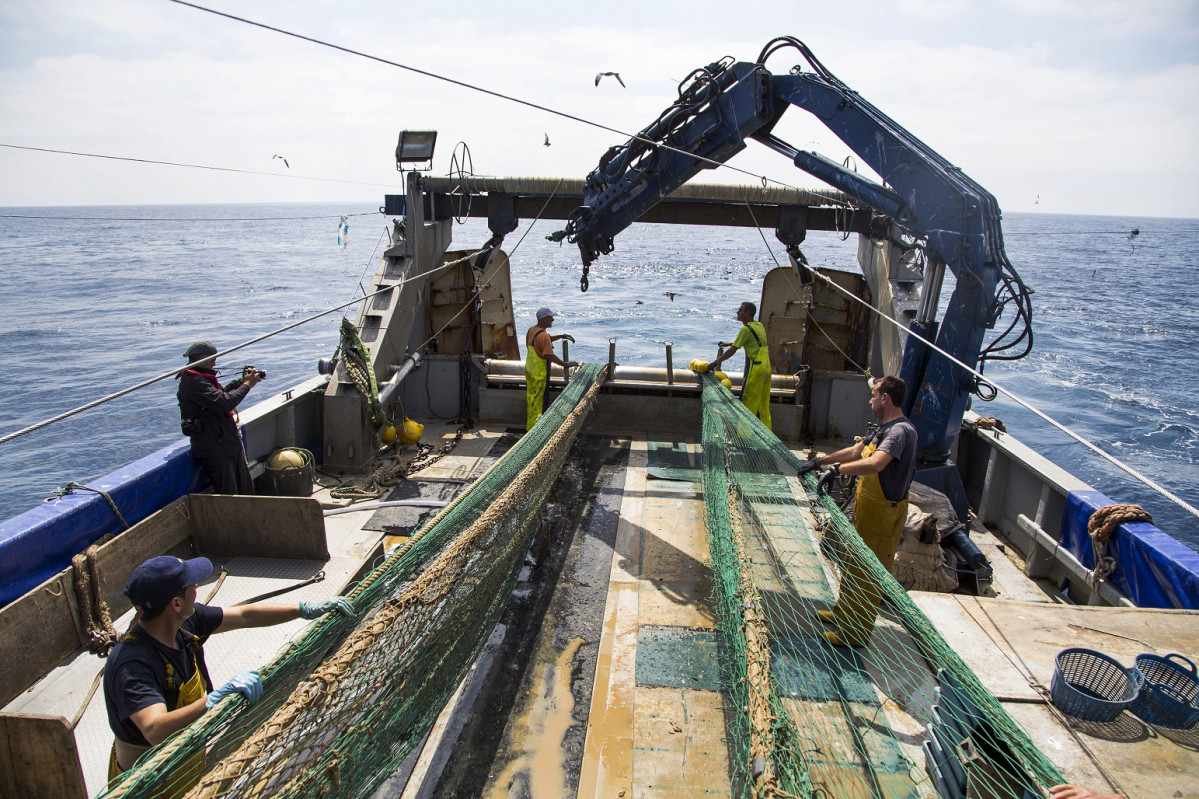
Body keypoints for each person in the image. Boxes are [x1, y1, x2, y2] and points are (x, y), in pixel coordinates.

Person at [103, 555, 353, 793]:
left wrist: (304, 608)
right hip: (150, 784)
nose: (197, 585)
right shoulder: (132, 664)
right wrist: (214, 700)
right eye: (191, 584)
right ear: (176, 603)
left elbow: (244, 615)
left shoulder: (182, 622)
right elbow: (154, 729)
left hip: (186, 762)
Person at [796, 375, 918, 646]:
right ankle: (843, 614)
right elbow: (855, 452)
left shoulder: (900, 432)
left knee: (867, 574)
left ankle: (854, 634)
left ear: (885, 398)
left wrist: (836, 471)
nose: (870, 399)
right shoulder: (882, 428)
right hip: (868, 511)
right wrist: (820, 462)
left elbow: (875, 464)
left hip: (884, 515)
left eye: (874, 394)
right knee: (854, 563)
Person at [176, 341, 261, 494]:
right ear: (202, 358)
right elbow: (225, 403)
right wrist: (247, 385)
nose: (215, 361)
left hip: (227, 444)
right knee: (230, 493)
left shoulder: (203, 378)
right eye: (212, 358)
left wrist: (241, 382)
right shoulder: (193, 382)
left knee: (245, 489)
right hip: (215, 449)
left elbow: (220, 395)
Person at [709, 301, 772, 431]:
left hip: (756, 369)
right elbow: (748, 341)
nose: (738, 312)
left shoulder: (745, 329)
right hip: (766, 368)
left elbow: (733, 350)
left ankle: (745, 438)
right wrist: (728, 344)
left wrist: (715, 362)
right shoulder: (759, 325)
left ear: (748, 313)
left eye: (740, 310)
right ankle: (767, 435)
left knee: (747, 402)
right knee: (763, 405)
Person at [524, 308, 577, 430]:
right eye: (550, 317)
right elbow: (549, 355)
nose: (553, 319)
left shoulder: (532, 330)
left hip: (530, 370)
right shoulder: (543, 336)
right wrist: (565, 364)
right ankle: (537, 430)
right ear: (543, 319)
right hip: (540, 374)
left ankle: (529, 427)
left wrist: (561, 336)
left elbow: (543, 339)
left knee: (532, 400)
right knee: (540, 402)